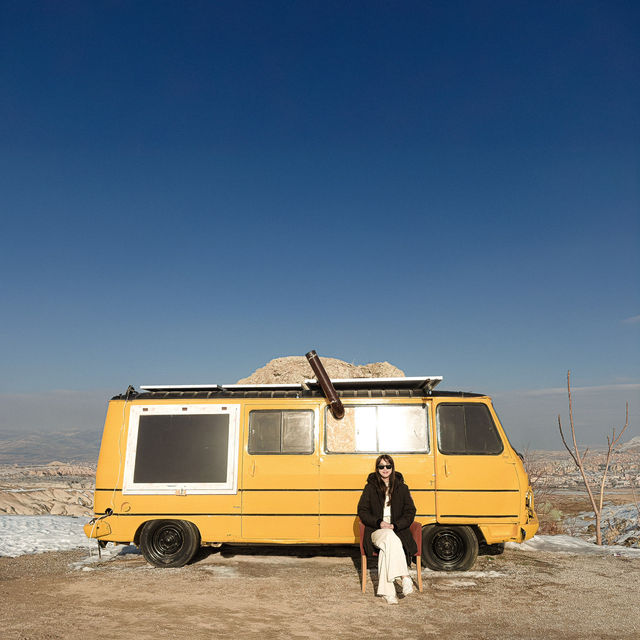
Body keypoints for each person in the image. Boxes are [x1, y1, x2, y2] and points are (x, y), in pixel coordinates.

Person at [357, 454, 417, 604]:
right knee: (389, 538)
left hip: (396, 530)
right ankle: (405, 576)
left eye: (388, 466)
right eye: (381, 466)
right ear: (377, 469)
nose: (385, 469)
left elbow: (410, 512)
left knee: (387, 548)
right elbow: (362, 511)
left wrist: (395, 526)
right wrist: (379, 522)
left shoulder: (402, 488)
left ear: (392, 468)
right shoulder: (370, 488)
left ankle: (388, 593)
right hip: (376, 530)